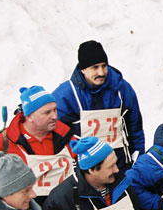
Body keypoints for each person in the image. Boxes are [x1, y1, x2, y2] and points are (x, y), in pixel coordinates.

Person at [0, 86, 76, 203]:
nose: (54, 116)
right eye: (47, 112)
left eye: (55, 110)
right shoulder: (1, 143)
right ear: (29, 117)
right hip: (22, 209)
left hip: (62, 207)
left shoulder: (66, 136)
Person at [53, 40, 145, 172]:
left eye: (104, 66)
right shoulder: (66, 95)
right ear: (83, 69)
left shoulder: (122, 89)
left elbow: (135, 128)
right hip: (86, 171)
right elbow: (56, 134)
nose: (101, 72)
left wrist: (138, 160)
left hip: (119, 167)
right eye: (95, 67)